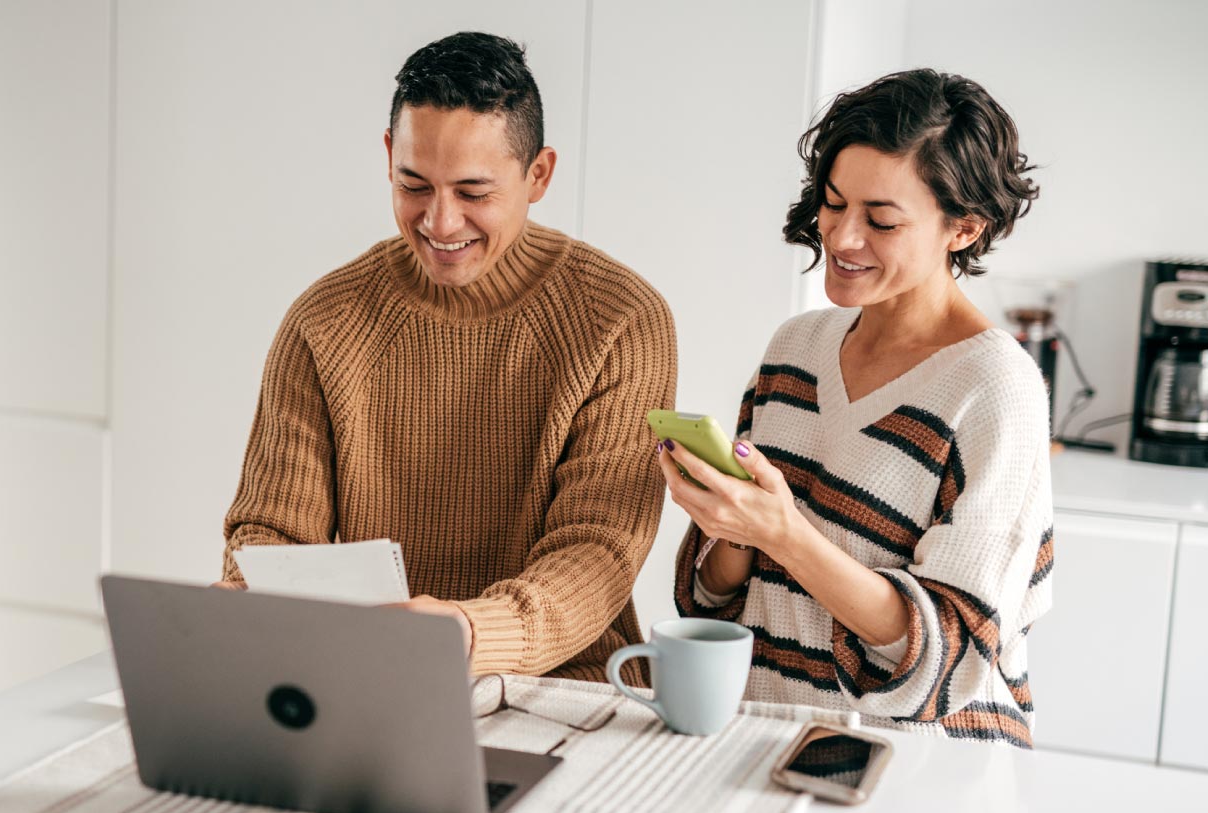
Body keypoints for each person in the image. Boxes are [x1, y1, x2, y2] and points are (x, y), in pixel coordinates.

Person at [219, 32, 676, 685]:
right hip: (366, 677)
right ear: (387, 157)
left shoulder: (622, 320)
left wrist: (465, 635)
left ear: (538, 174)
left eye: (472, 192)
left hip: (558, 684)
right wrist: (247, 603)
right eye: (414, 184)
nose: (439, 221)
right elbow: (270, 531)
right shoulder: (323, 321)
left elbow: (597, 553)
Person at [662, 69, 1050, 746]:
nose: (840, 238)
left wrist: (785, 533)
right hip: (768, 736)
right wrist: (731, 523)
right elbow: (718, 596)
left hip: (917, 773)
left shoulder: (995, 389)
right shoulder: (797, 348)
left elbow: (948, 656)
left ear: (964, 228)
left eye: (881, 220)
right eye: (834, 203)